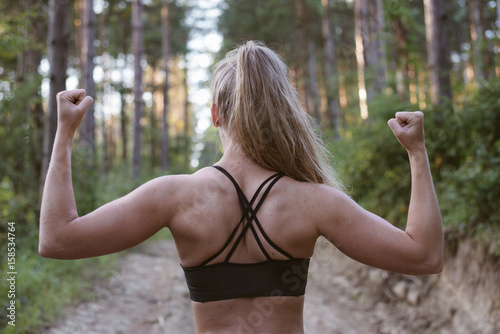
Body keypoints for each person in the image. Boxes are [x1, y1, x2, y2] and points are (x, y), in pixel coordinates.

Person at [39, 40, 442, 333]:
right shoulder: (315, 203)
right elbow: (423, 256)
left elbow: (58, 239)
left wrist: (65, 133)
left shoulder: (173, 197)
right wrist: (417, 153)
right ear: (285, 113)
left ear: (216, 114)